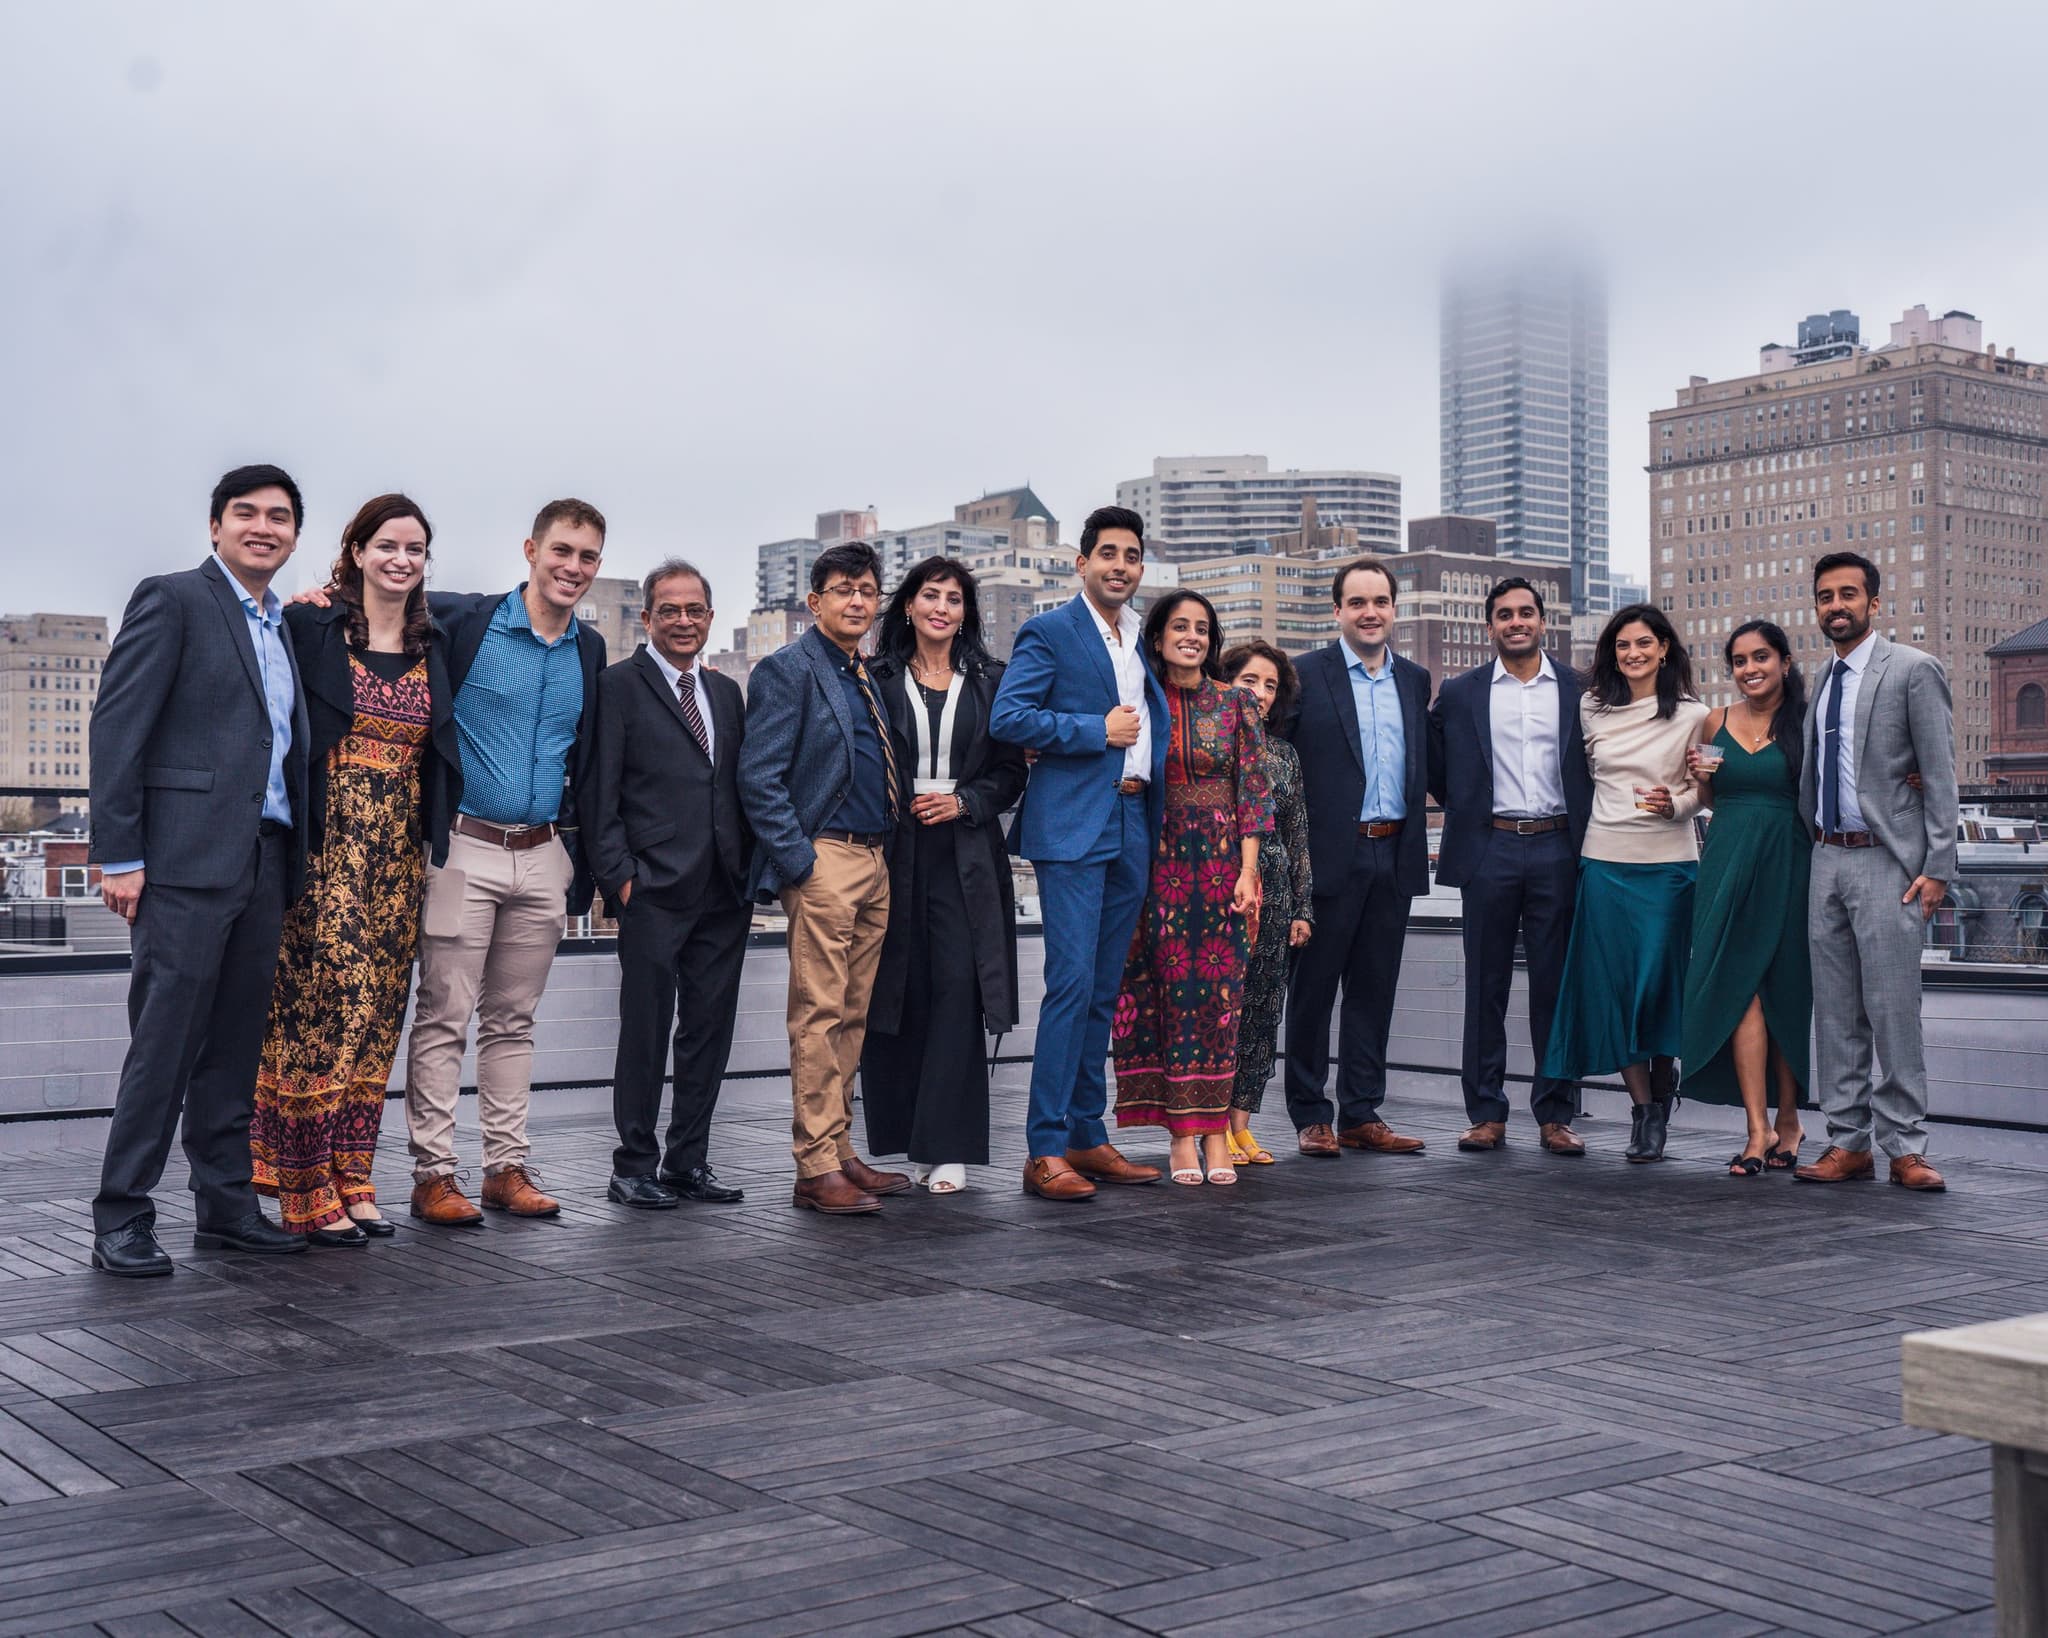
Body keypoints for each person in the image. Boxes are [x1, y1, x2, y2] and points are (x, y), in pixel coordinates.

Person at [86, 465, 313, 1275]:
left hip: (265, 858)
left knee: (235, 1048)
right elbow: (118, 726)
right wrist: (119, 854)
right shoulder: (173, 598)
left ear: (295, 534)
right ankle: (122, 1215)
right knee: (165, 1045)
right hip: (181, 865)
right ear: (215, 526)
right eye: (245, 513)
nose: (263, 526)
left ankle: (225, 1207)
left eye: (279, 517)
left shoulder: (281, 622)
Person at [251, 494, 459, 1244]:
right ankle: (301, 1185)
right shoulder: (315, 626)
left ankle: (352, 1172)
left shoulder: (437, 640)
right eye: (387, 546)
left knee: (377, 1014)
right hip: (327, 846)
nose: (401, 559)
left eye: (415, 549)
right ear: (358, 551)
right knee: (325, 1003)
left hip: (399, 857)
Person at [402, 499, 608, 1224]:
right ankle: (433, 1173)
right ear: (531, 549)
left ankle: (505, 1168)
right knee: (443, 1016)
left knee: (514, 1020)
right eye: (563, 552)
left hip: (543, 853)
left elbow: (586, 760)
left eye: (587, 558)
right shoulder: (467, 621)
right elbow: (377, 599)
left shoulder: (589, 651)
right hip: (464, 849)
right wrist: (317, 596)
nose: (573, 568)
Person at [990, 505, 1168, 1202]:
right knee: (1068, 986)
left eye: (1130, 556)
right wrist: (1093, 729)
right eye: (1108, 554)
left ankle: (1086, 1137)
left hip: (1133, 818)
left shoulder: (1138, 641)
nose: (1119, 566)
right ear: (1082, 563)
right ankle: (1043, 1148)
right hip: (1073, 826)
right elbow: (1011, 717)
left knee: (1102, 988)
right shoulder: (1051, 631)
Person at [738, 540, 912, 1215]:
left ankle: (838, 1150)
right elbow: (760, 776)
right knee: (818, 1015)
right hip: (827, 859)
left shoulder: (860, 671)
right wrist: (801, 862)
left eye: (866, 590)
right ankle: (813, 1167)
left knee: (853, 1014)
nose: (857, 601)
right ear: (815, 602)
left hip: (874, 859)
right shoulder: (790, 669)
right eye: (843, 590)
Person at [860, 558, 1029, 1195]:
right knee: (898, 987)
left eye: (954, 599)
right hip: (891, 850)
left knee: (959, 986)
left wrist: (966, 802)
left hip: (966, 848)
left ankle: (951, 1146)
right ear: (907, 605)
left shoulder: (992, 680)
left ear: (967, 614)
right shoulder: (872, 677)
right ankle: (905, 1140)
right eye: (930, 595)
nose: (941, 608)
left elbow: (1014, 771)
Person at [588, 559, 751, 1210]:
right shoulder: (616, 688)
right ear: (647, 618)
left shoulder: (726, 693)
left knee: (708, 1031)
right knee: (646, 1032)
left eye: (695, 611)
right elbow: (598, 793)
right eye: (670, 610)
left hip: (723, 890)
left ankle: (688, 1162)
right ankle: (632, 1167)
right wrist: (621, 879)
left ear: (710, 618)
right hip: (652, 889)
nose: (683, 621)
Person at [1794, 553, 1958, 1193]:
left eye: (1848, 595)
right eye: (1825, 596)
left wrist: (1937, 865)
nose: (1836, 606)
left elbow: (1940, 773)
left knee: (1893, 1011)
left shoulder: (1912, 671)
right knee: (1835, 1015)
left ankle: (1906, 1148)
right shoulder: (1824, 679)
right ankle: (1847, 1143)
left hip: (1887, 862)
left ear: (1874, 603)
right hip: (1826, 858)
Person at [1427, 577, 1593, 1156]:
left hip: (1559, 847)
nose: (1515, 622)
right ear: (1489, 625)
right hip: (1490, 846)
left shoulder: (1581, 688)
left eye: (1526, 613)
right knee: (1485, 986)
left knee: (1556, 986)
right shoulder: (1461, 691)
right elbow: (1439, 769)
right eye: (1504, 614)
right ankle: (1486, 1113)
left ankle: (1554, 1114)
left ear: (1543, 622)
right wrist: (1473, 813)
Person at [1111, 592, 1273, 1184]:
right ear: (1157, 638)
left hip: (1224, 866)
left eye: (1202, 628)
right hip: (1156, 863)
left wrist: (1248, 872)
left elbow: (1254, 793)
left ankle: (1216, 1137)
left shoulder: (1236, 704)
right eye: (1180, 627)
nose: (1192, 636)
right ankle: (1183, 1136)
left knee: (1221, 1002)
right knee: (1168, 996)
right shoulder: (1141, 702)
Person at [1541, 604, 1707, 1163]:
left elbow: (1702, 794)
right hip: (1605, 863)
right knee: (1618, 992)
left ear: (1664, 648)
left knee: (1658, 988)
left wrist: (1674, 805)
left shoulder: (1695, 715)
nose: (1632, 654)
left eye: (1642, 643)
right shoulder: (1591, 707)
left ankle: (1664, 1087)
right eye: (1621, 646)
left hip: (1670, 868)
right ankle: (1645, 1111)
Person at [1283, 558, 1432, 1160]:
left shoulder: (1416, 679)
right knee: (1314, 992)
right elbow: (1278, 766)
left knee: (1375, 990)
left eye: (1380, 602)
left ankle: (1362, 1113)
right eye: (1357, 602)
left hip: (1393, 852)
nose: (1370, 613)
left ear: (1394, 609)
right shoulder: (1304, 675)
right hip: (1325, 859)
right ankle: (1311, 1114)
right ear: (1337, 610)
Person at [1679, 621, 1813, 1176]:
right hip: (1727, 863)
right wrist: (1698, 776)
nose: (1749, 669)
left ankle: (1790, 1122)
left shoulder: (1806, 720)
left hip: (1790, 864)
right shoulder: (1716, 721)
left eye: (1761, 657)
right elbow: (1709, 799)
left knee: (1784, 992)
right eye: (1738, 661)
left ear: (1784, 661)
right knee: (1740, 995)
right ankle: (1756, 1130)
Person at [1219, 641, 1312, 1166]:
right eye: (1250, 680)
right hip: (1221, 890)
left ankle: (1241, 1125)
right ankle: (1211, 1126)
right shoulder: (1210, 746)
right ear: (1226, 682)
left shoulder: (1284, 756)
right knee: (1219, 1010)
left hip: (1275, 894)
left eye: (1270, 685)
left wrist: (1303, 909)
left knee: (1260, 1012)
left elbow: (1299, 835)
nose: (1259, 692)